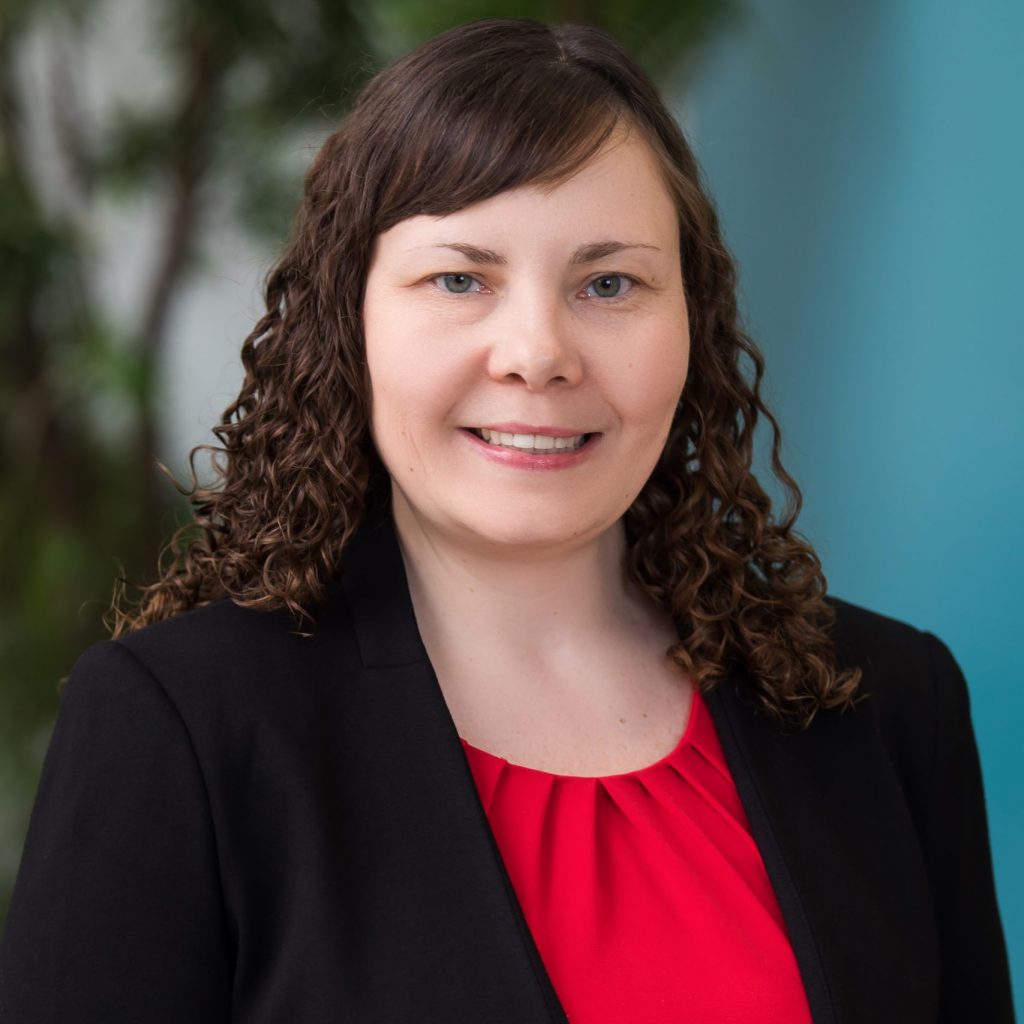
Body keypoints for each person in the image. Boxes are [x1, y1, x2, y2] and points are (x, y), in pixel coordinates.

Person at [0, 17, 1014, 1024]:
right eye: (459, 278)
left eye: (608, 283)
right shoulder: (177, 728)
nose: (538, 352)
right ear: (347, 323)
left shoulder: (884, 706)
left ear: (692, 326)